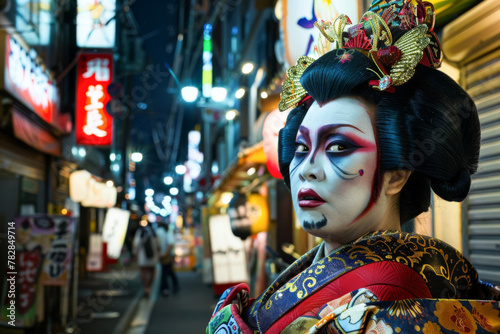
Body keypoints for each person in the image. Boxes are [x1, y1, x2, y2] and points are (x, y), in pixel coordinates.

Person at [207, 1, 500, 333]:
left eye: (338, 147)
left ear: (397, 175)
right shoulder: (325, 269)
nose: (306, 169)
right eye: (302, 148)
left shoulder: (391, 301)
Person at [133, 223, 160, 297]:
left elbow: (136, 244)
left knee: (143, 271)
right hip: (153, 255)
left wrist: (135, 254)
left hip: (142, 256)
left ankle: (146, 287)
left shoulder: (140, 232)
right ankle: (149, 287)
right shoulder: (153, 232)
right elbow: (158, 245)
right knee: (152, 271)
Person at [156, 222, 179, 296]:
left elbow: (169, 244)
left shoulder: (158, 232)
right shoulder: (167, 232)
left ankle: (165, 288)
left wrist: (164, 254)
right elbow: (170, 244)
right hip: (168, 255)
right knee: (168, 271)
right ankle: (173, 286)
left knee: (166, 272)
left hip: (165, 255)